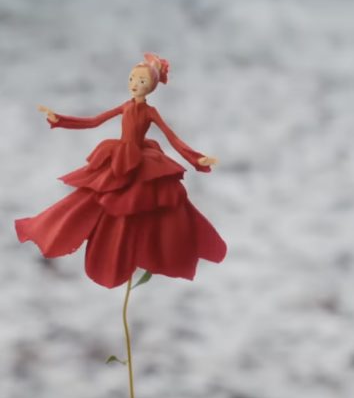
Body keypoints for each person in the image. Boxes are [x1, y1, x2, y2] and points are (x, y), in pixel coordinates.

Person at [16, 53, 227, 288]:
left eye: (142, 81)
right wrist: (60, 120)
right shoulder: (125, 107)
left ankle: (148, 251)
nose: (135, 85)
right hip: (119, 160)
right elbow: (94, 121)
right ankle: (67, 235)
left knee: (144, 205)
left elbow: (172, 137)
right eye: (132, 79)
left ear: (151, 87)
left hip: (142, 162)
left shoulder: (150, 112)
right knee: (93, 199)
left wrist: (197, 159)